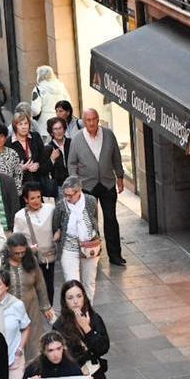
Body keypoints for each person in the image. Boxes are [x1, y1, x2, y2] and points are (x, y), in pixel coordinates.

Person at [67, 108, 126, 266]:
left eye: (94, 119)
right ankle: (92, 253)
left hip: (107, 183)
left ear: (98, 119)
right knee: (89, 222)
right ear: (84, 122)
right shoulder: (77, 139)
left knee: (111, 219)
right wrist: (74, 185)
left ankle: (115, 255)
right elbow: (71, 163)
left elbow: (116, 157)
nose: (92, 123)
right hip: (87, 185)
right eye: (88, 120)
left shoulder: (108, 134)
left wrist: (120, 177)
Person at [53, 176, 102, 301]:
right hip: (69, 247)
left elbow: (94, 219)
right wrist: (57, 231)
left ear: (79, 191)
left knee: (89, 281)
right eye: (65, 195)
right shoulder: (61, 205)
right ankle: (76, 312)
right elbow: (56, 223)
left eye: (70, 195)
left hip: (89, 246)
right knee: (72, 284)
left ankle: (88, 310)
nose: (67, 198)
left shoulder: (90, 201)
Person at [14, 182, 58, 302]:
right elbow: (17, 239)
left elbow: (58, 224)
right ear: (26, 199)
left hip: (49, 256)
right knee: (34, 287)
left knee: (49, 286)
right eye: (32, 198)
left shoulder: (50, 209)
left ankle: (49, 311)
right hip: (31, 258)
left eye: (39, 197)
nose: (36, 201)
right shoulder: (20, 216)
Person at [0, 270, 31, 379]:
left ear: (6, 286)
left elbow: (26, 327)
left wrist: (20, 349)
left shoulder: (17, 305)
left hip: (13, 359)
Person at [29, 65, 71, 133]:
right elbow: (68, 104)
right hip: (60, 122)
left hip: (44, 125)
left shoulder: (38, 89)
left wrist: (32, 116)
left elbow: (35, 110)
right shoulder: (62, 87)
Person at [44, 116, 72, 198]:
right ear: (51, 132)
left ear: (64, 129)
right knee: (63, 209)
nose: (58, 131)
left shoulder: (72, 143)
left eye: (60, 128)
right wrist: (52, 159)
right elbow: (44, 170)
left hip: (74, 184)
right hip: (59, 186)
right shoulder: (48, 148)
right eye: (55, 129)